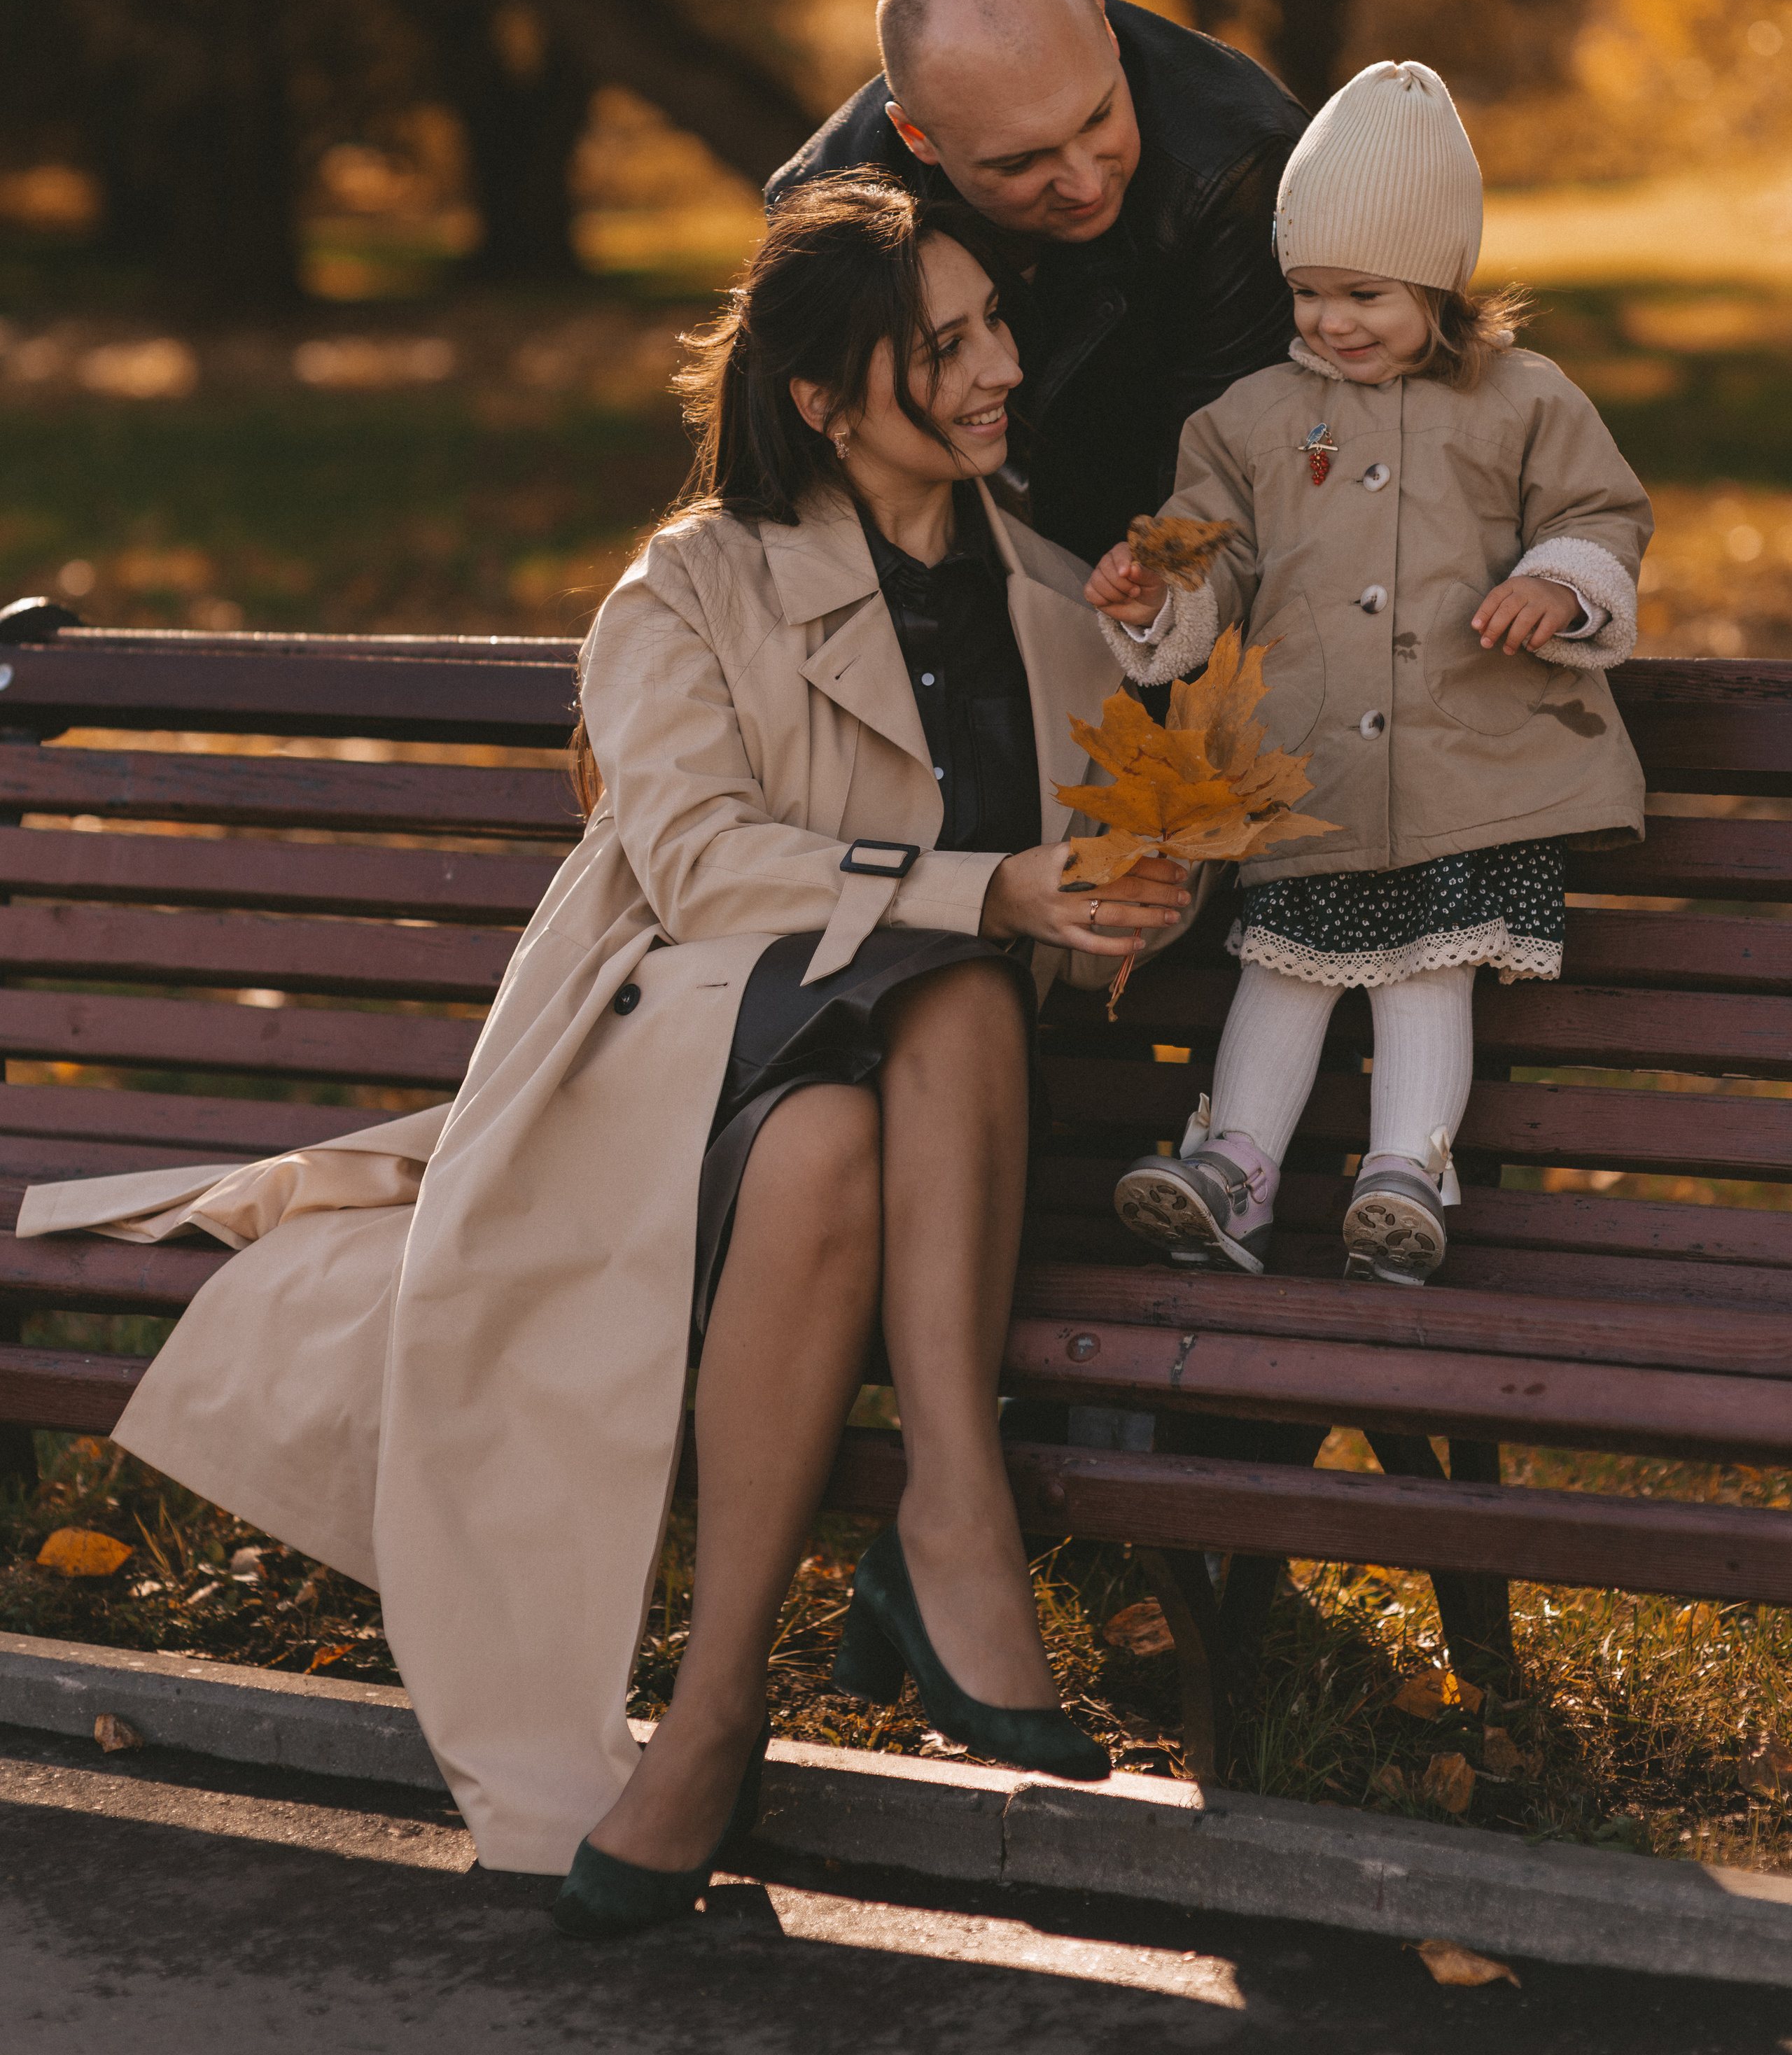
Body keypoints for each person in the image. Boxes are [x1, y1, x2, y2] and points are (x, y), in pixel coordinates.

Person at [18, 171, 1193, 1928]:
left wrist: (1126, 894)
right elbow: (702, 866)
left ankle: (719, 1708)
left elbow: (1085, 878)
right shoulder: (691, 587)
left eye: (992, 325)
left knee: (905, 1046)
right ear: (817, 396)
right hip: (669, 1087)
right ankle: (945, 1531)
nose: (992, 368)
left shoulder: (1044, 597)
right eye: (937, 345)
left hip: (907, 1134)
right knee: (928, 984)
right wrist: (990, 890)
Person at [1086, 61, 1651, 1288]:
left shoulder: (1524, 402)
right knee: (1281, 967)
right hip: (1310, 769)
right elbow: (1207, 550)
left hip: (1467, 766)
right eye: (1308, 292)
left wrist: (1560, 583)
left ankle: (1409, 1170)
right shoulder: (1247, 418)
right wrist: (1157, 589)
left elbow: (1602, 513)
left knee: (1428, 971)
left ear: (1440, 282)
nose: (1333, 321)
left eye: (1366, 293)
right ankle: (1231, 1167)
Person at [766, 0, 1307, 565]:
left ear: (1105, 34)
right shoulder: (828, 211)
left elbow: (1239, 469)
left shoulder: (1241, 172)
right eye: (1020, 162)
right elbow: (804, 478)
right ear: (918, 137)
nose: (1084, 182)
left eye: (1098, 117)